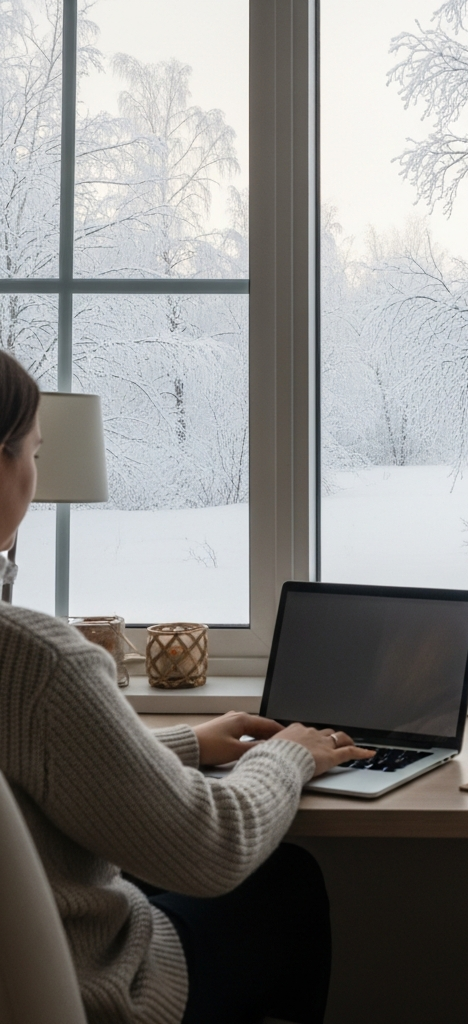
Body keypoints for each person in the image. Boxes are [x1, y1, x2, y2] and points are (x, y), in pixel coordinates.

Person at [0, 349, 375, 1024]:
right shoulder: (31, 657)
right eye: (33, 451)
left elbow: (28, 761)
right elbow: (212, 849)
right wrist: (290, 754)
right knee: (285, 882)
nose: (35, 472)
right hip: (98, 996)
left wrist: (186, 745)